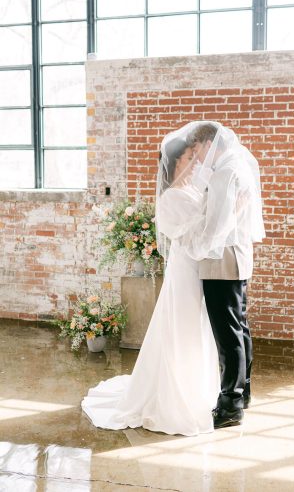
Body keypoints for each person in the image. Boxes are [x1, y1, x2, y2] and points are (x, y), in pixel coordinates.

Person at [81, 136, 220, 436]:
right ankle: (175, 396)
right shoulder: (171, 197)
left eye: (192, 158)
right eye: (187, 159)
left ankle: (196, 386)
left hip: (198, 270)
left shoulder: (191, 189)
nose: (193, 163)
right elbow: (191, 238)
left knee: (195, 328)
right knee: (182, 329)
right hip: (185, 270)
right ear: (173, 164)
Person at [183, 122, 265, 429]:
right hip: (237, 255)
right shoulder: (237, 164)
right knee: (240, 327)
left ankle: (230, 404)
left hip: (220, 259)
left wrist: (194, 249)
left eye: (199, 149)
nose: (198, 155)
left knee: (227, 333)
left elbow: (216, 227)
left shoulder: (224, 172)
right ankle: (243, 392)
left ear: (209, 143)